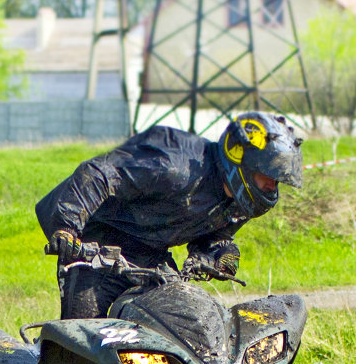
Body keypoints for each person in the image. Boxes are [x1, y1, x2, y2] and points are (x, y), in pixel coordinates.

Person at [36, 112, 304, 319]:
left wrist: (220, 254)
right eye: (267, 176)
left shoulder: (240, 203)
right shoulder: (173, 167)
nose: (272, 186)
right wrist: (67, 228)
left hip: (151, 252)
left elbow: (212, 237)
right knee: (83, 341)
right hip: (94, 243)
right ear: (240, 159)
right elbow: (98, 174)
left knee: (180, 326)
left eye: (277, 180)